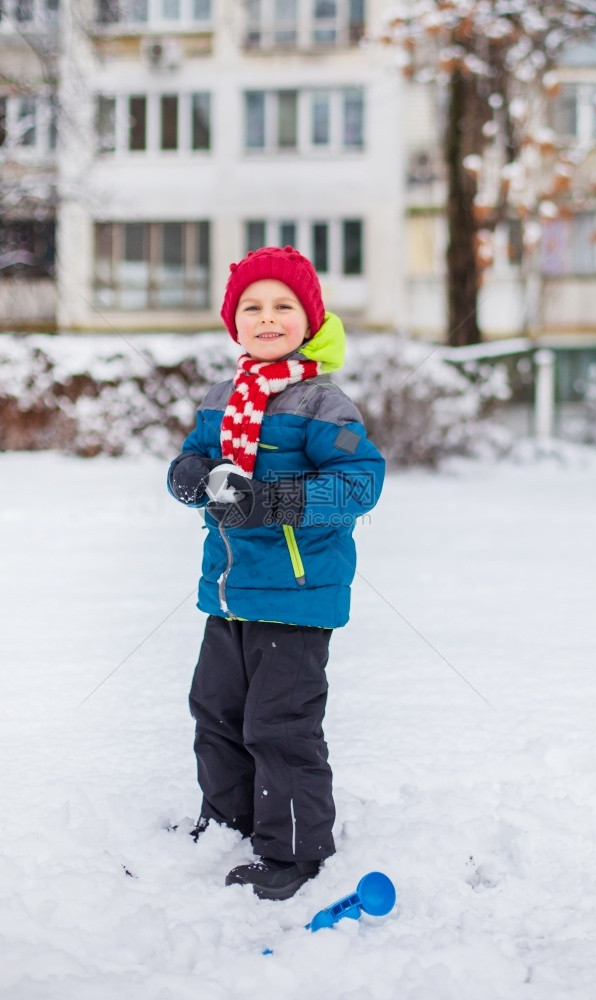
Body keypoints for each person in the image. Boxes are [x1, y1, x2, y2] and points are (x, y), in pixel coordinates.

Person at [167, 245, 385, 901]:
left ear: (308, 318)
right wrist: (185, 477)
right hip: (229, 591)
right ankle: (230, 818)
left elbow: (360, 482)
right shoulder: (220, 397)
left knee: (278, 724)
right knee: (216, 712)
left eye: (282, 306)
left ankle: (294, 849)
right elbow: (194, 458)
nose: (267, 318)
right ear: (234, 322)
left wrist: (275, 501)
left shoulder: (322, 403)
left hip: (295, 595)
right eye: (252, 307)